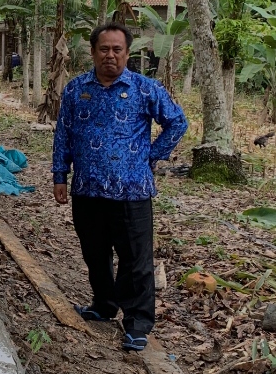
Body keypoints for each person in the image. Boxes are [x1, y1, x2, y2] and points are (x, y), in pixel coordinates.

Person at [52, 22, 188, 352]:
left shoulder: (145, 88)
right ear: (93, 51)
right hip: (87, 190)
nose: (110, 55)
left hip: (132, 191)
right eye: (104, 49)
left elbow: (177, 122)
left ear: (127, 53)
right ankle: (103, 305)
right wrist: (60, 175)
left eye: (117, 50)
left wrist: (151, 156)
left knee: (136, 261)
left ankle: (138, 322)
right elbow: (64, 133)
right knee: (95, 255)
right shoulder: (75, 89)